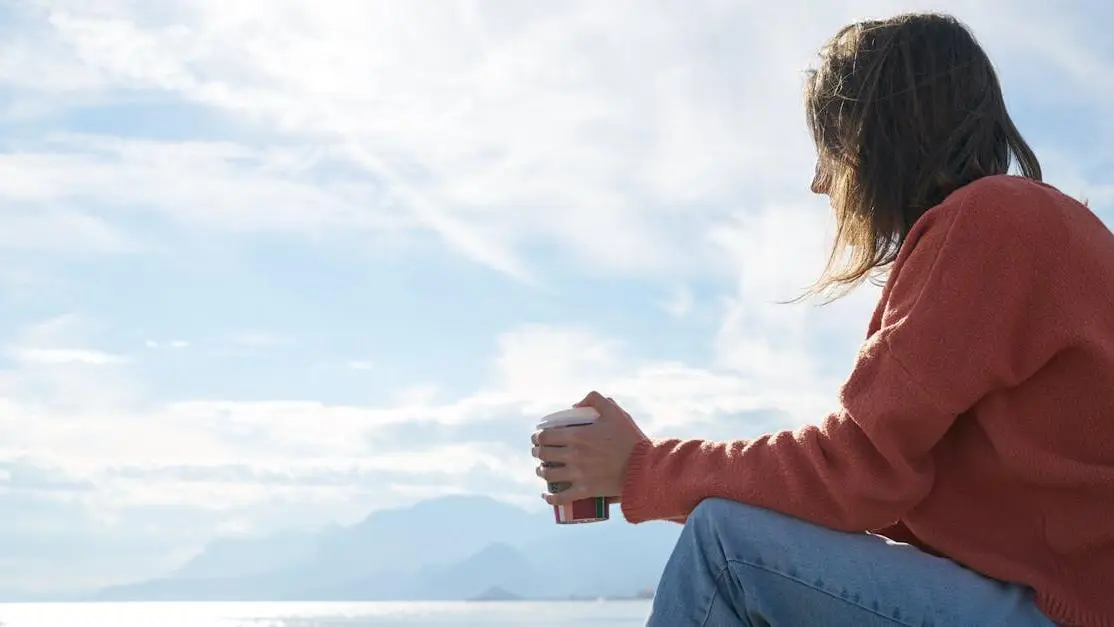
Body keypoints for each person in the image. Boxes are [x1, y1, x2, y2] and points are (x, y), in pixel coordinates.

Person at [530, 12, 1114, 627]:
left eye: (829, 147)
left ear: (877, 136)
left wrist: (643, 469)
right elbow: (883, 492)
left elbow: (857, 469)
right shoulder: (1044, 230)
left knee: (724, 546)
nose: (818, 182)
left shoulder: (992, 224)